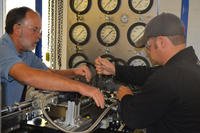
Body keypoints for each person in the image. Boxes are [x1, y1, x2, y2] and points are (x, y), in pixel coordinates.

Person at [95, 12, 200, 133]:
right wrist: (115, 69)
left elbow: (134, 118)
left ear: (161, 42)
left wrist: (125, 97)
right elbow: (149, 74)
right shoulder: (189, 65)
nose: (148, 52)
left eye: (148, 46)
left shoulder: (168, 76)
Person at [0, 6, 104, 108]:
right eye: (34, 30)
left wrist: (73, 72)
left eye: (39, 31)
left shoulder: (26, 53)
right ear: (17, 29)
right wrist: (80, 87)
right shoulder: (3, 49)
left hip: (10, 118)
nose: (39, 36)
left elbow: (48, 73)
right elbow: (27, 76)